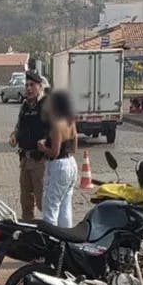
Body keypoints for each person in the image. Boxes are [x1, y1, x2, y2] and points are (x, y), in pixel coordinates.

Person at [10, 71, 48, 221]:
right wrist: (14, 136)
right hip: (24, 160)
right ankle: (28, 231)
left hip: (40, 161)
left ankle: (49, 231)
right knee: (26, 202)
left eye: (32, 85)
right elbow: (19, 128)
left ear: (39, 86)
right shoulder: (25, 106)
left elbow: (54, 130)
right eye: (26, 85)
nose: (29, 88)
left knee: (42, 201)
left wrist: (46, 141)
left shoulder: (46, 106)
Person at [38, 90, 79, 228]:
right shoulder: (70, 121)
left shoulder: (56, 125)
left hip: (59, 165)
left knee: (51, 206)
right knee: (65, 206)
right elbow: (74, 146)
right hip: (71, 163)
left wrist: (43, 147)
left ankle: (51, 240)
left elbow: (54, 152)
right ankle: (66, 237)